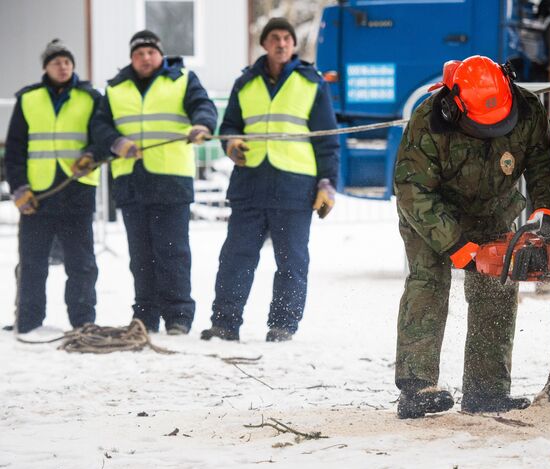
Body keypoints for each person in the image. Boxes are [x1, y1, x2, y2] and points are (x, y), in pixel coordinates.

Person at [393, 55, 550, 418]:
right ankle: (416, 387)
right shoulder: (429, 120)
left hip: (492, 208)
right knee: (428, 281)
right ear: (456, 108)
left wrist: (544, 217)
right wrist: (463, 251)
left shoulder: (527, 109)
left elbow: (546, 163)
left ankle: (486, 390)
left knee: (498, 286)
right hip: (431, 213)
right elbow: (412, 189)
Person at [200, 17, 339, 343]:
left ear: (293, 45)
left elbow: (328, 139)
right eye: (274, 37)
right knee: (236, 258)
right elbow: (230, 125)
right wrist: (231, 144)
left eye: (287, 38)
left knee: (291, 261)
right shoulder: (245, 83)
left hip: (295, 186)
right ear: (264, 44)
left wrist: (327, 183)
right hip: (250, 183)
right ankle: (224, 324)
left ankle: (282, 326)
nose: (281, 43)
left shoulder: (311, 83)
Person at [92, 30, 217, 335]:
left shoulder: (183, 79)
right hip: (132, 182)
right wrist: (116, 142)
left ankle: (178, 316)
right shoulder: (116, 88)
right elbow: (99, 125)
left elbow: (203, 106)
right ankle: (145, 316)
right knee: (141, 255)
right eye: (139, 54)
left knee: (172, 252)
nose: (145, 58)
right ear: (132, 58)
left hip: (171, 180)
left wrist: (202, 124)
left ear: (160, 54)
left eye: (150, 52)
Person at [3, 39, 104, 333]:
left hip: (77, 190)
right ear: (46, 67)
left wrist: (91, 156)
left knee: (81, 263)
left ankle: (83, 321)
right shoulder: (28, 99)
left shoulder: (91, 98)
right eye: (57, 62)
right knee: (32, 262)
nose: (63, 66)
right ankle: (28, 320)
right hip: (38, 195)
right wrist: (19, 189)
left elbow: (102, 138)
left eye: (67, 62)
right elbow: (15, 149)